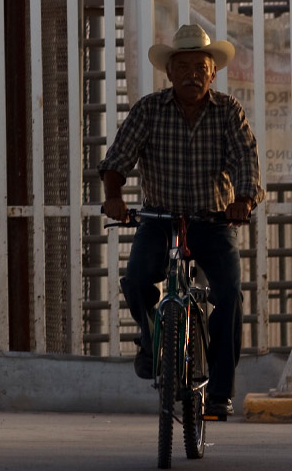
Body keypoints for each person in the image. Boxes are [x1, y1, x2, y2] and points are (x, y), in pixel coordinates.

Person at [99, 24, 263, 418]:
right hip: (158, 220)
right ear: (169, 72)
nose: (192, 74)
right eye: (183, 66)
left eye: (200, 67)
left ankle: (221, 394)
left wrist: (242, 199)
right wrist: (114, 197)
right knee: (137, 279)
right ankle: (151, 336)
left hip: (213, 221)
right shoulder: (149, 109)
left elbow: (245, 161)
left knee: (228, 296)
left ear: (213, 72)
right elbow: (117, 159)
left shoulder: (228, 112)